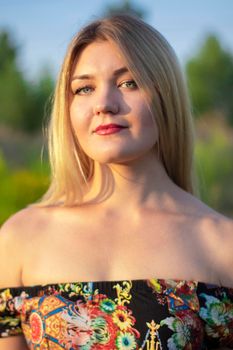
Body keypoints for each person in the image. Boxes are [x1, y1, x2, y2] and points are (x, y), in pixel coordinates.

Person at [0, 13, 232, 350]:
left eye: (129, 83)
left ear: (166, 95)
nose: (104, 105)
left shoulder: (220, 243)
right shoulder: (18, 239)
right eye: (84, 88)